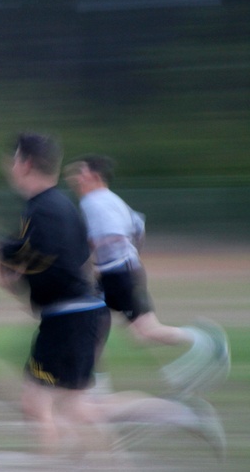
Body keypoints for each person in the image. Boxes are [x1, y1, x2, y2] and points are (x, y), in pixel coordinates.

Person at [0, 134, 224, 472]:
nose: (8, 167)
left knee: (42, 402)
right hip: (75, 316)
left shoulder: (43, 210)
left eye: (11, 160)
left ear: (24, 164)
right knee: (78, 406)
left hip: (69, 319)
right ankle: (141, 454)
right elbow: (67, 259)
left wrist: (13, 268)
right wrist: (15, 264)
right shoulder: (59, 207)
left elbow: (46, 262)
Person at [63, 155, 229, 395]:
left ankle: (208, 341)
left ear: (95, 177)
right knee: (93, 325)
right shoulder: (111, 199)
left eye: (81, 173)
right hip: (120, 272)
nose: (75, 178)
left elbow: (114, 234)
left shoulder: (94, 202)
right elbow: (138, 227)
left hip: (118, 275)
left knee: (144, 332)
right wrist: (130, 256)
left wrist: (87, 253)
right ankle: (94, 386)